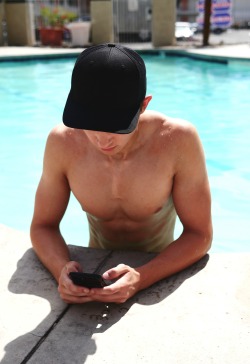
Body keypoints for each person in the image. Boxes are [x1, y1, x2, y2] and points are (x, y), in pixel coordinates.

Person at [30, 43, 212, 304]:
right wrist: (61, 269)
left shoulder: (177, 140)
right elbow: (42, 226)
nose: (102, 139)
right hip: (96, 267)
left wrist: (141, 277)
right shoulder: (63, 142)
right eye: (90, 123)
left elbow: (200, 234)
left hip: (158, 261)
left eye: (115, 126)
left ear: (143, 105)